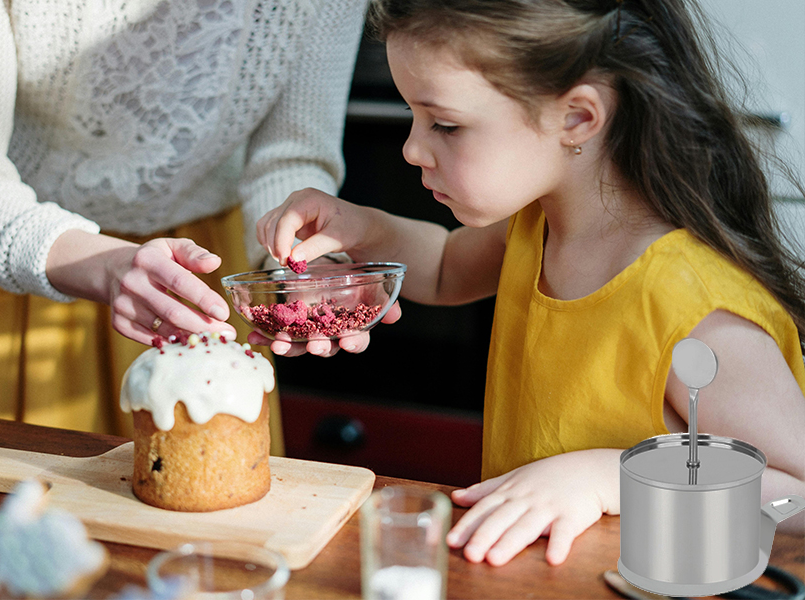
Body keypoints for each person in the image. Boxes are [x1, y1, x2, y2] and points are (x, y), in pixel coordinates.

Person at [255, 0, 805, 565]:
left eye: (445, 123)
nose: (412, 148)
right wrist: (359, 227)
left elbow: (794, 493)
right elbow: (443, 267)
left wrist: (610, 479)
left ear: (577, 118)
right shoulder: (534, 227)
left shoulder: (694, 309)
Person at [0, 0, 369, 453]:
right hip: (6, 247)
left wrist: (304, 261)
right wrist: (104, 264)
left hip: (195, 267)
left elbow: (290, 156)